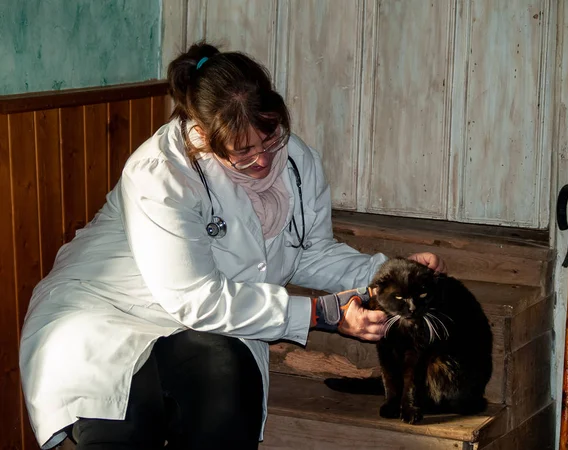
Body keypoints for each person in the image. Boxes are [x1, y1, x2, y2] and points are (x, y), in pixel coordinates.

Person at [19, 41, 445, 450]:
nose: (263, 160)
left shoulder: (296, 161)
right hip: (107, 313)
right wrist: (321, 313)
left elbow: (309, 251)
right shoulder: (159, 175)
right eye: (242, 153)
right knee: (126, 416)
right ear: (203, 135)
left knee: (225, 379)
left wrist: (390, 272)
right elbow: (196, 298)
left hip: (197, 326)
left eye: (270, 138)